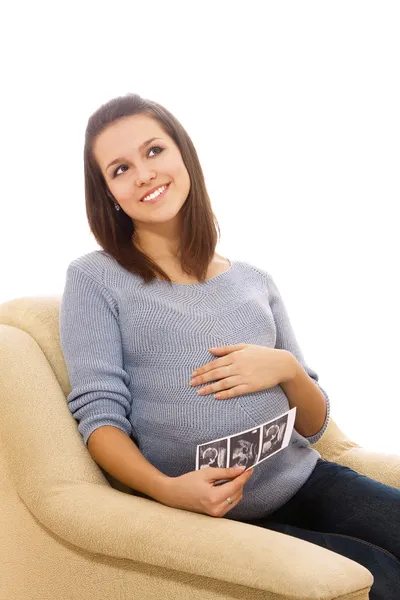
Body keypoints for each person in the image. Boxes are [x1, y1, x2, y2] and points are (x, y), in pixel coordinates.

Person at [59, 93, 400, 598]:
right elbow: (100, 417)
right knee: (381, 576)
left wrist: (286, 368)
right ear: (107, 192)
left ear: (183, 155)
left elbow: (313, 423)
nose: (145, 174)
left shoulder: (253, 280)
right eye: (120, 168)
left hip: (303, 477)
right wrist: (169, 490)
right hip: (214, 514)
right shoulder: (95, 279)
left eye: (154, 151)